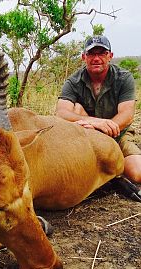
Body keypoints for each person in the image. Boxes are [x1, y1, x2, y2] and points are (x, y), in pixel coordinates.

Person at [55, 35, 141, 183]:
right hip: (86, 138)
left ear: (110, 56)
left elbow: (127, 115)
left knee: (137, 173)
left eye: (101, 53)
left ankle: (112, 169)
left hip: (118, 134)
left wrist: (103, 130)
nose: (96, 58)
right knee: (76, 108)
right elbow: (61, 113)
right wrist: (95, 122)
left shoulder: (124, 78)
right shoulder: (73, 81)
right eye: (91, 53)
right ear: (84, 57)